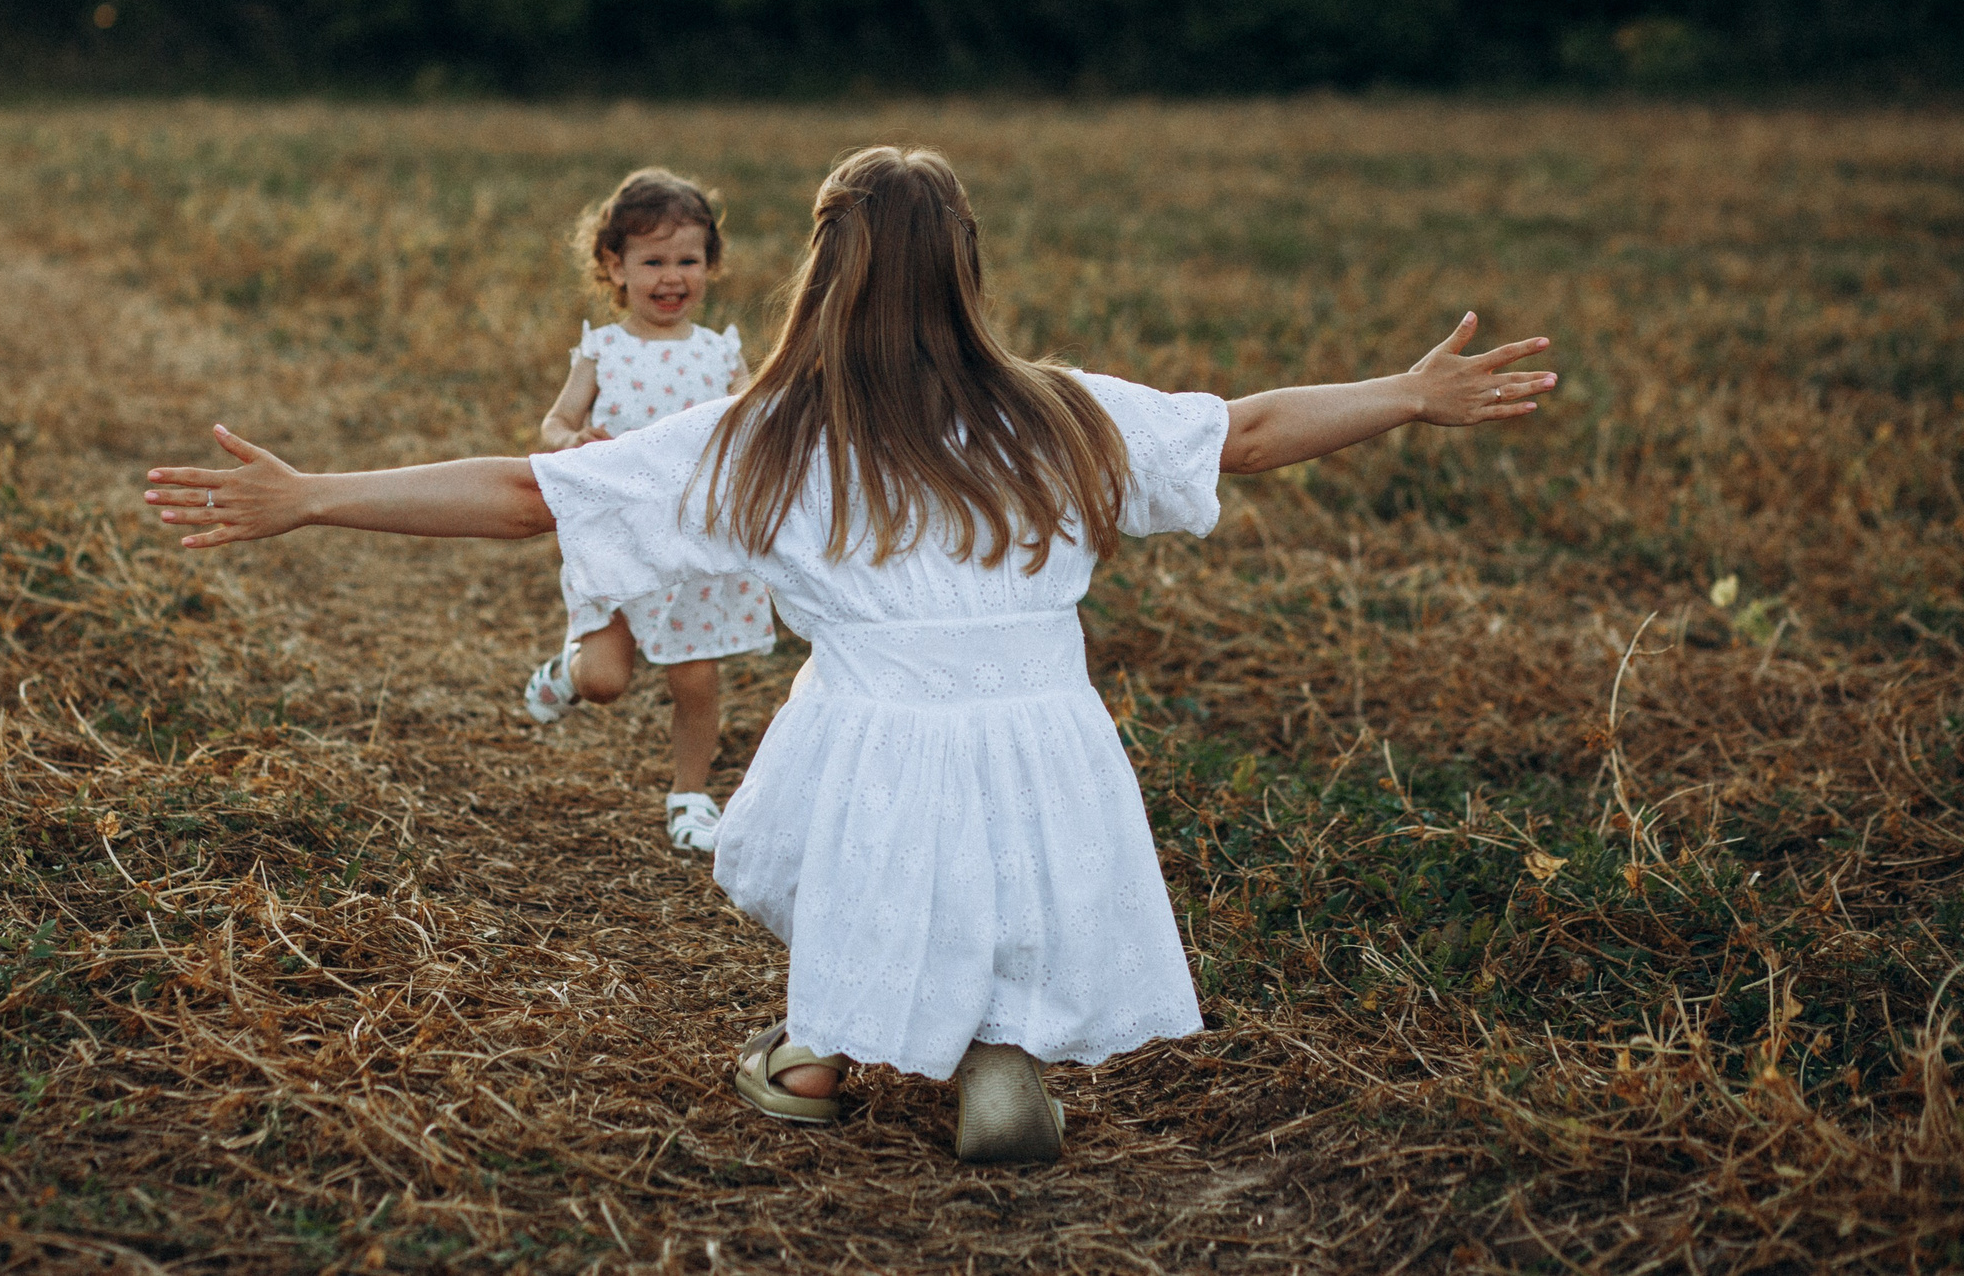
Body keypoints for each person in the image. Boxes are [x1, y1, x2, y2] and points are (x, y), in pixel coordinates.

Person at [143, 146, 1554, 1165]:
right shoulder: (1058, 411)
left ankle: (821, 1053)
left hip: (874, 715)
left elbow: (532, 492)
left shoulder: (770, 430)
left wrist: (316, 490)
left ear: (825, 266)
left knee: (842, 838)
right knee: (1004, 854)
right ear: (967, 271)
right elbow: (1239, 428)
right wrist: (1407, 395)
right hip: (1045, 718)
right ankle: (1001, 1056)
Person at [523, 167, 776, 855]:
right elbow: (555, 422)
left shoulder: (720, 352)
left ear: (710, 264)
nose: (672, 277)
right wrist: (571, 439)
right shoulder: (603, 349)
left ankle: (690, 795)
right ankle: (564, 672)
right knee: (606, 680)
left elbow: (751, 422)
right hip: (619, 536)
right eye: (652, 261)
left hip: (693, 546)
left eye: (687, 260)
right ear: (616, 266)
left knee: (694, 679)